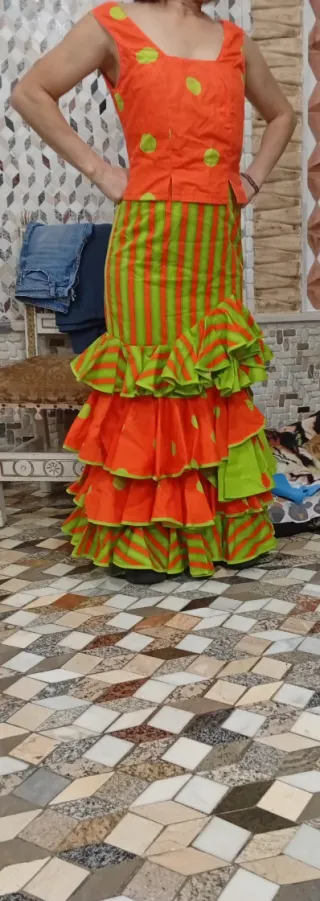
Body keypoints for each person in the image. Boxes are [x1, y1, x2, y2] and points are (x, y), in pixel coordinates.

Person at [11, 0, 296, 584]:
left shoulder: (233, 40)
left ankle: (221, 530)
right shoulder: (112, 24)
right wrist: (100, 171)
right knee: (151, 380)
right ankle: (148, 540)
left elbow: (282, 115)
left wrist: (252, 179)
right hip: (147, 246)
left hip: (214, 245)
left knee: (212, 377)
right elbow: (30, 92)